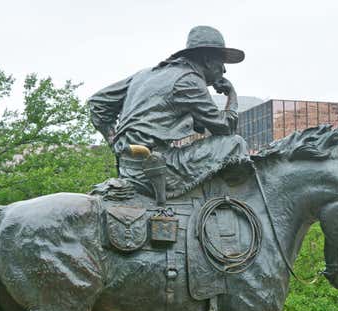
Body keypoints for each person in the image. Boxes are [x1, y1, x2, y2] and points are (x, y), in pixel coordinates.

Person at [88, 26, 250, 200]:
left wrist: (114, 141)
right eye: (221, 62)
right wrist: (231, 94)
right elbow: (226, 127)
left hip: (126, 166)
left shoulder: (146, 74)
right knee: (235, 143)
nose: (224, 70)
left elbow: (98, 103)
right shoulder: (190, 80)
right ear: (207, 60)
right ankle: (231, 200)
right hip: (154, 167)